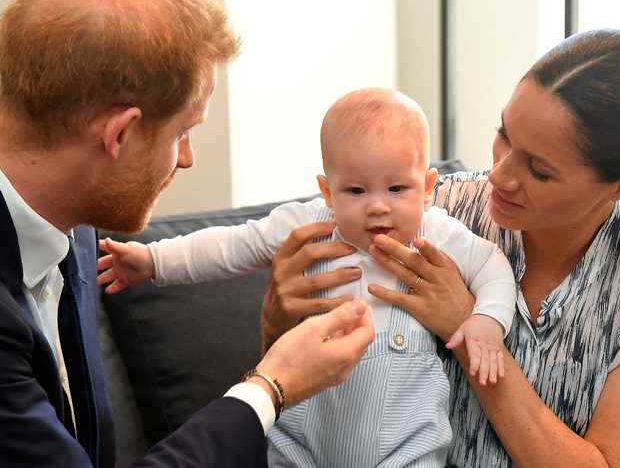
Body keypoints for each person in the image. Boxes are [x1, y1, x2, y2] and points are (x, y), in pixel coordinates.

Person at [0, 0, 374, 468]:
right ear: (120, 134)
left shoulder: (74, 224)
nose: (188, 157)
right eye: (183, 132)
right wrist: (271, 387)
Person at [262, 29, 620, 467]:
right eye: (504, 135)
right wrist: (277, 319)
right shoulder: (429, 211)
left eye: (540, 171)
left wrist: (465, 329)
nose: (499, 176)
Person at [98, 87, 517, 466]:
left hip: (404, 446)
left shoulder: (437, 232)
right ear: (326, 190)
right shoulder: (308, 225)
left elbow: (493, 267)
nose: (377, 207)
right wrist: (152, 260)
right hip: (304, 439)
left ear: (427, 187)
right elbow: (231, 246)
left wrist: (486, 322)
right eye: (355, 191)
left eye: (396, 190)